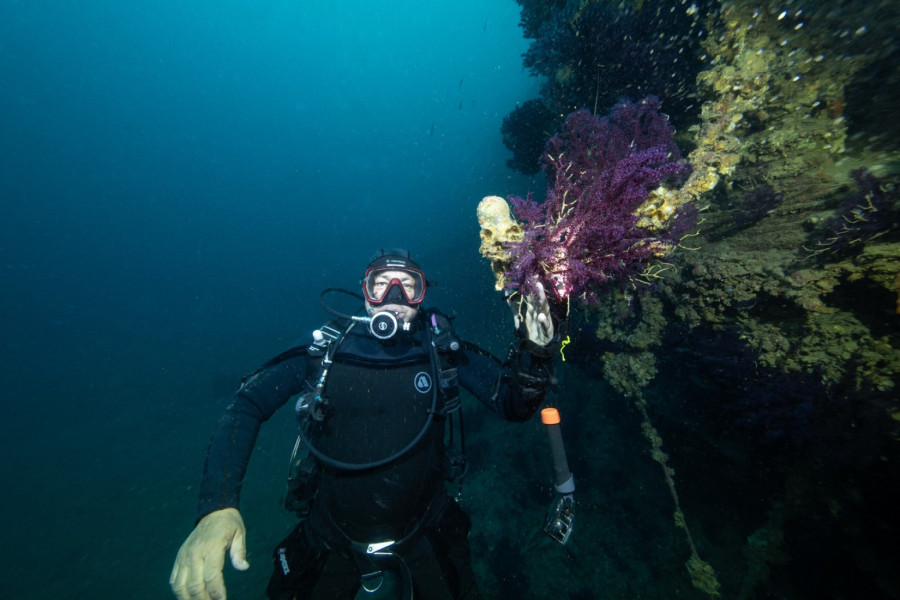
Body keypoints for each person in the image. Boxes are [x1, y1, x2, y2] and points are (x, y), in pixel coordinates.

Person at [169, 248, 562, 600]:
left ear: (423, 296)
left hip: (425, 531)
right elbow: (246, 404)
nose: (395, 298)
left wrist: (537, 352)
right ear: (365, 294)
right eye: (382, 286)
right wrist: (217, 507)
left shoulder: (441, 351)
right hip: (331, 538)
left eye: (409, 287)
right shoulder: (326, 351)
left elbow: (514, 405)